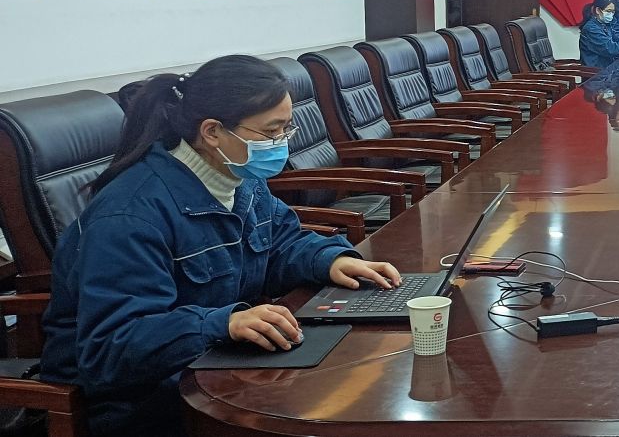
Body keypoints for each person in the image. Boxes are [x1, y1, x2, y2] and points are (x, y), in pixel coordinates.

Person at [40, 55, 401, 437]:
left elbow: (278, 244)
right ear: (212, 132)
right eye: (272, 132)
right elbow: (112, 347)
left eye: (286, 128)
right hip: (144, 401)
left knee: (357, 383)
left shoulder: (238, 178)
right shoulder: (129, 216)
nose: (281, 143)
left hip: (218, 366)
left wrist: (328, 260)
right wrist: (222, 323)